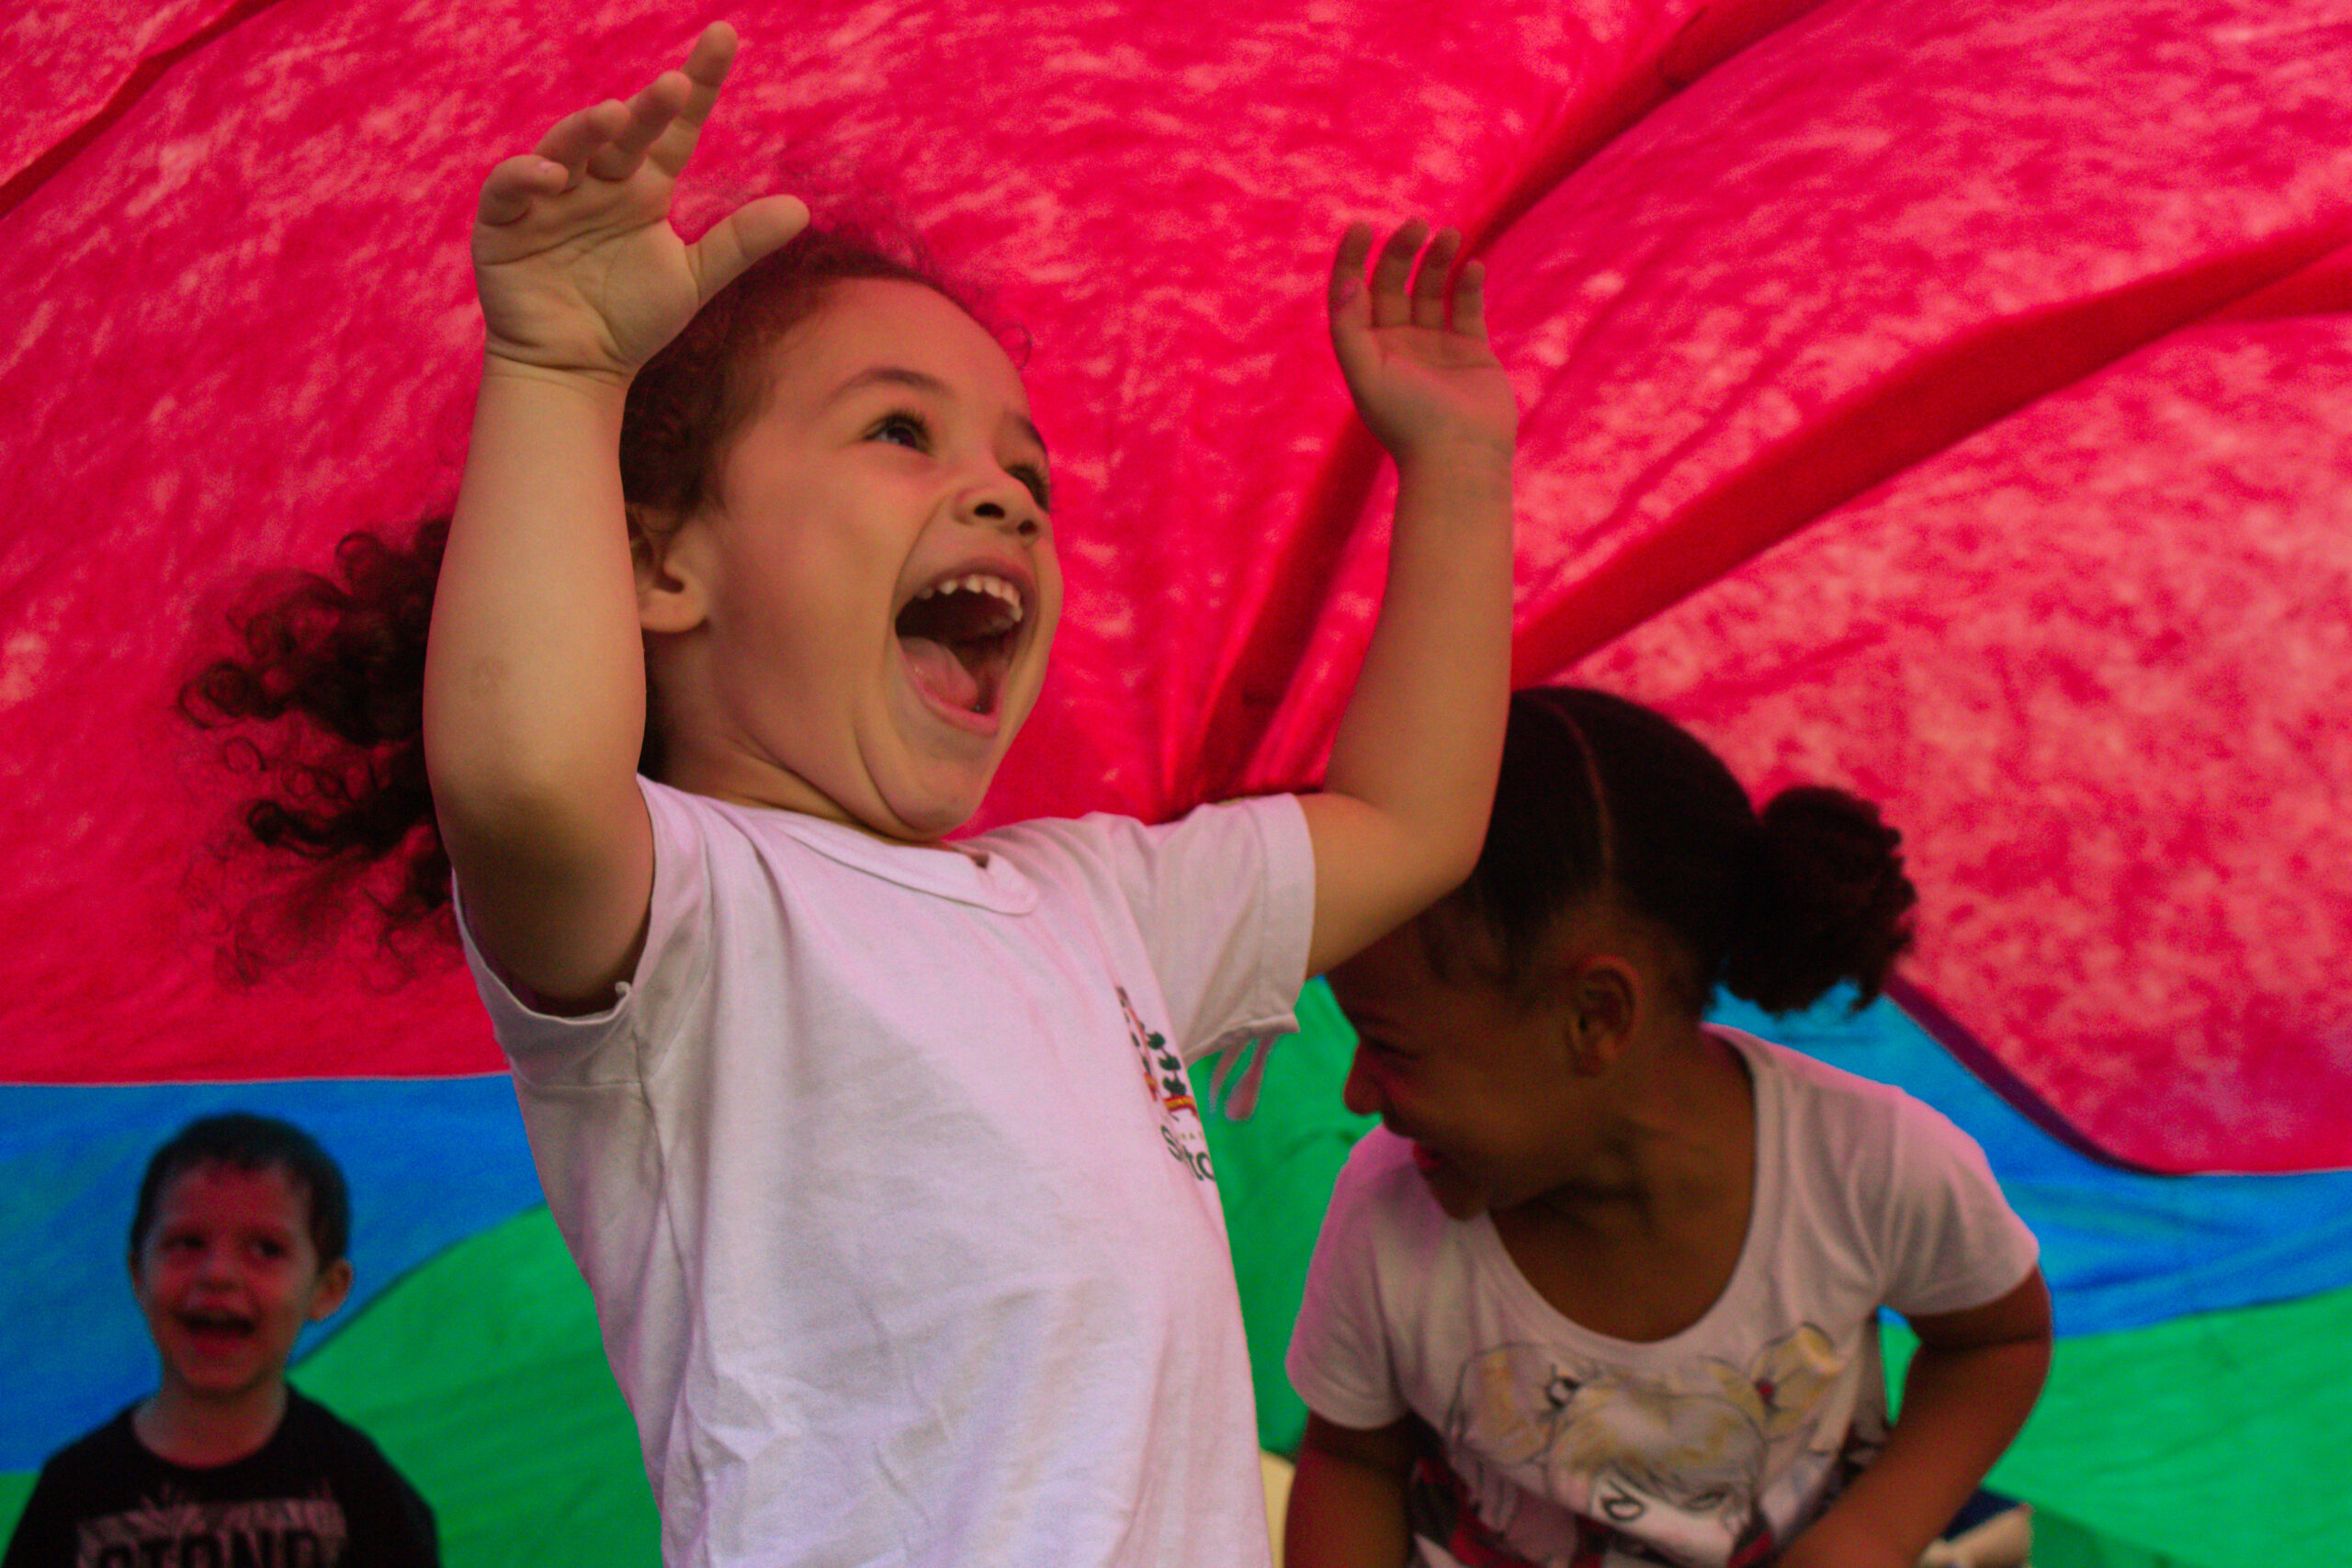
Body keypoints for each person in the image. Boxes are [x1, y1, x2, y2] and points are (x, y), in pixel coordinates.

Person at [183, 21, 1515, 1567]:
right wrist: (559, 370)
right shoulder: (683, 907)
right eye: (900, 431)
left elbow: (1413, 826)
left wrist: (1463, 469)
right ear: (658, 566)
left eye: (1031, 473)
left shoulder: (1097, 906)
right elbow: (526, 769)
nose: (1006, 491)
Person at [1283, 686, 2051, 1568]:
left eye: (1389, 1045)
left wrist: (1874, 1533)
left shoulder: (1870, 1166)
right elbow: (1350, 1456)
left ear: (1597, 1016)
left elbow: (1998, 1338)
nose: (1353, 1093)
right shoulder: (1387, 1213)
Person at [3, 1112, 439, 1568]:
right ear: (139, 1274)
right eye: (187, 1243)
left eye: (266, 1249)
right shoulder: (74, 1492)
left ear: (326, 1288)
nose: (218, 1274)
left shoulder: (360, 1487)